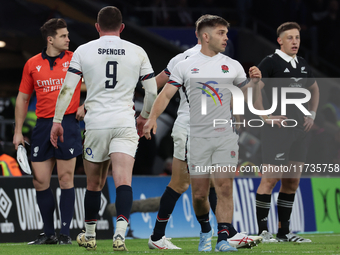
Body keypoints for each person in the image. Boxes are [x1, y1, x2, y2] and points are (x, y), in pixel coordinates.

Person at [143, 14, 262, 252]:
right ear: (204, 35)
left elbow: (236, 99)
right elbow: (160, 89)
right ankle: (163, 235)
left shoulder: (229, 64)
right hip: (189, 127)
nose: (226, 37)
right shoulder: (183, 61)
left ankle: (225, 235)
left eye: (226, 33)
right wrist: (148, 116)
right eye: (221, 33)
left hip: (218, 130)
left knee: (219, 185)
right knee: (184, 186)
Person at [50, 6, 157, 251]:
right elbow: (151, 91)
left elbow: (67, 90)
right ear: (122, 28)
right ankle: (120, 234)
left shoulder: (83, 50)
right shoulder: (137, 51)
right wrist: (144, 117)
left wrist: (57, 121)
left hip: (96, 124)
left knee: (94, 184)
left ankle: (90, 235)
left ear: (97, 27)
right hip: (124, 122)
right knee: (123, 181)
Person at [13, 18, 84, 245]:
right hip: (42, 126)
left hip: (68, 123)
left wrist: (86, 104)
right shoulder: (32, 64)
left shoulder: (75, 59)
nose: (68, 39)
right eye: (63, 36)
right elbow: (23, 98)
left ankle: (65, 233)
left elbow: (96, 84)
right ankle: (48, 233)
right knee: (40, 181)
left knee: (66, 179)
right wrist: (17, 132)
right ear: (50, 39)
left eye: (67, 35)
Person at [255, 22, 319, 243]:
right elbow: (255, 88)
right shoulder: (270, 62)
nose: (295, 42)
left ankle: (284, 232)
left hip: (300, 131)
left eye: (298, 38)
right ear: (279, 40)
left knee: (292, 181)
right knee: (270, 179)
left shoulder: (301, 63)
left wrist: (312, 114)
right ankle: (263, 231)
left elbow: (314, 87)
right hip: (277, 130)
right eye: (290, 38)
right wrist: (265, 117)